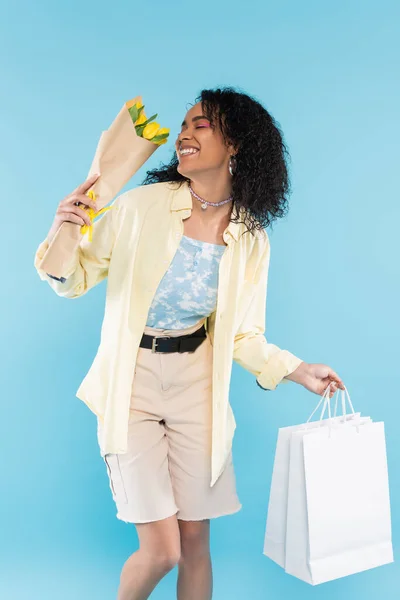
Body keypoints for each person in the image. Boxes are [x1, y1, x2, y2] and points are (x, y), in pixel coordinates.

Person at [34, 86, 345, 600]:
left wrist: (297, 369)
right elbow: (72, 278)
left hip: (197, 383)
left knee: (196, 540)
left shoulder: (250, 237)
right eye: (182, 126)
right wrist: (64, 229)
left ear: (236, 144)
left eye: (200, 125)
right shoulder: (140, 208)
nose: (183, 134)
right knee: (163, 550)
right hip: (130, 381)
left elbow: (243, 333)